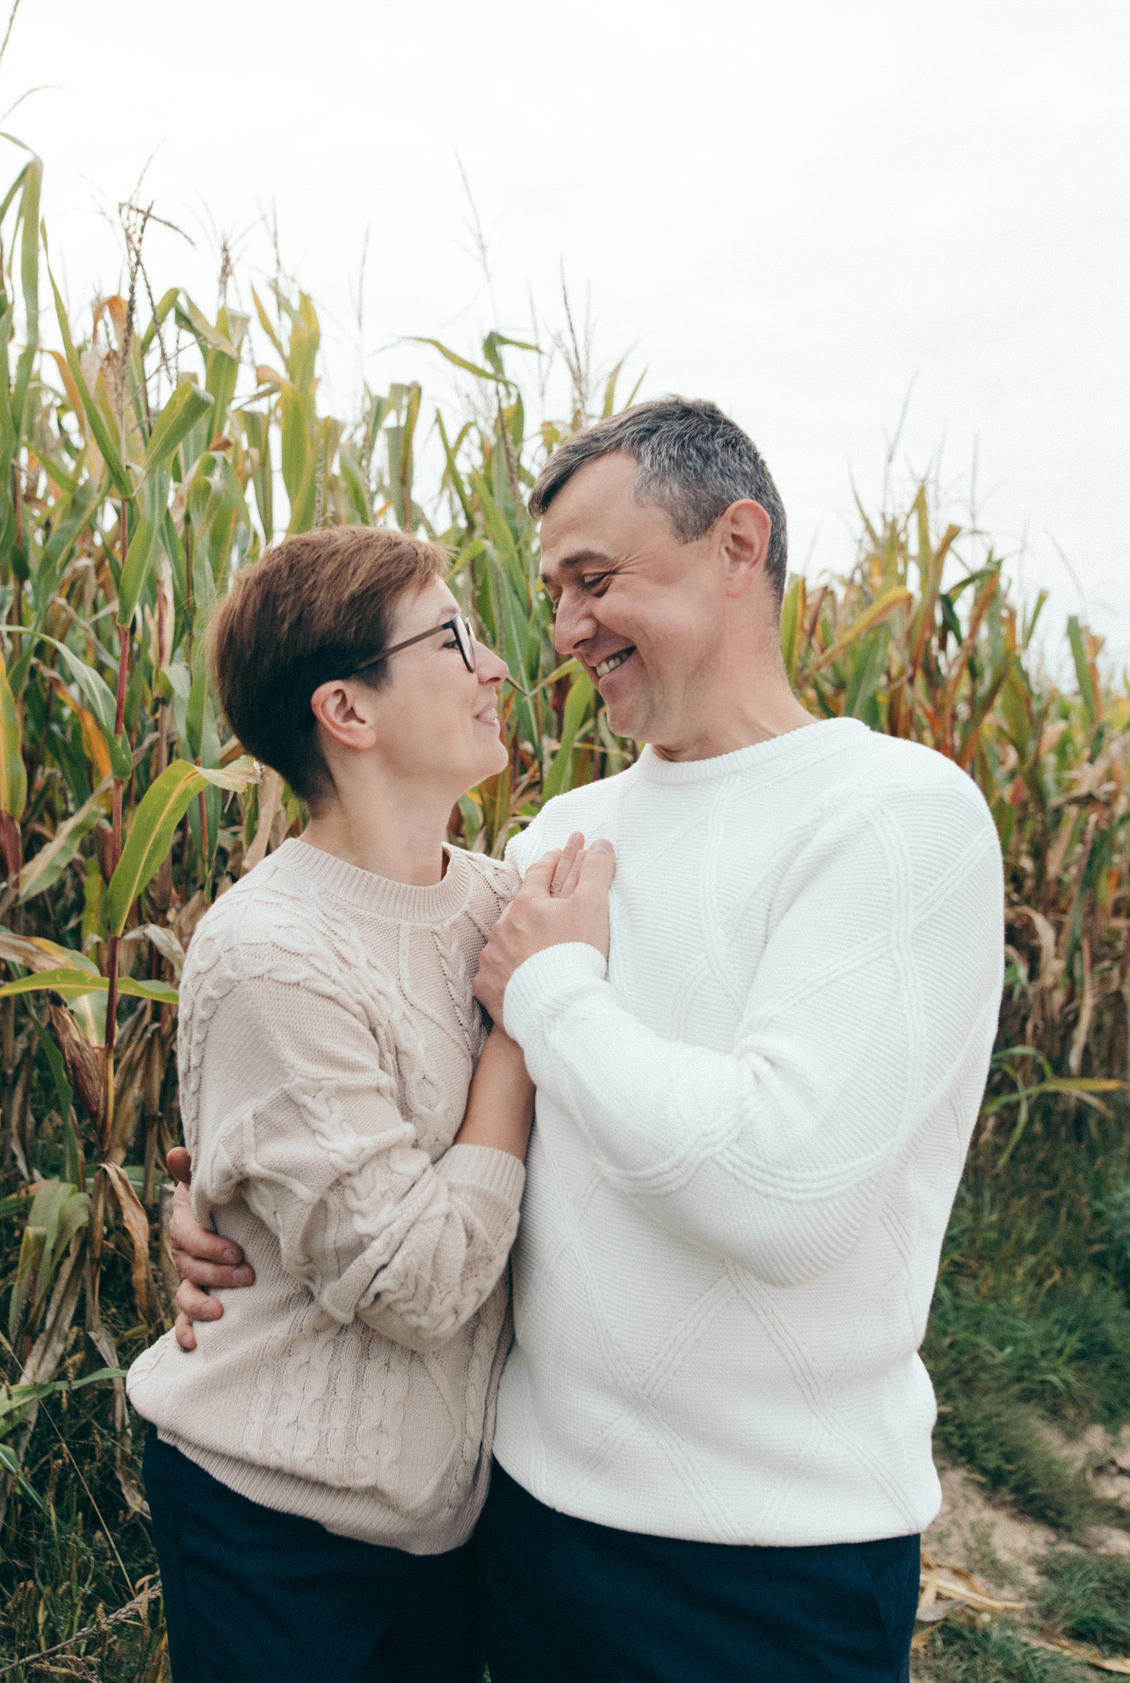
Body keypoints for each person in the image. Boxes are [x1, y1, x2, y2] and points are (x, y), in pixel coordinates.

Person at [168, 398, 1006, 1682]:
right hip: (513, 1515)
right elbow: (391, 1087)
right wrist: (232, 1223)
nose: (559, 633)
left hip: (757, 1558)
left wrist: (551, 997)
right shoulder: (552, 837)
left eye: (595, 580)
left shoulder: (893, 815)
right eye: (552, 590)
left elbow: (778, 1191)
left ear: (738, 546)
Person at [128, 525, 586, 1683]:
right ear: (348, 711)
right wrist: (520, 1032)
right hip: (278, 1514)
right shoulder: (271, 955)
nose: (497, 668)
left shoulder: (507, 902)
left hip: (449, 1516)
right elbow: (419, 1285)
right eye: (454, 638)